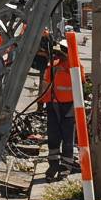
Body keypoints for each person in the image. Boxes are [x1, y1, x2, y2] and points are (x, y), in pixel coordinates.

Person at [39, 42, 85, 181]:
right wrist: (42, 103)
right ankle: (53, 165)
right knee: (53, 138)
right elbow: (46, 86)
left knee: (67, 139)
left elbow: (80, 86)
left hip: (69, 107)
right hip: (54, 106)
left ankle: (65, 167)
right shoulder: (53, 67)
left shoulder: (76, 67)